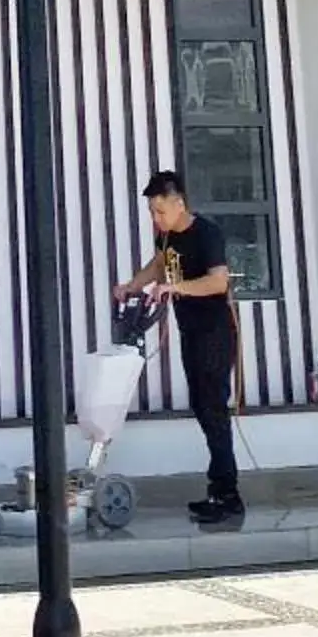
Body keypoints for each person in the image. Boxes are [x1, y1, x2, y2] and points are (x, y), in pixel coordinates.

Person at [115, 170, 242, 527]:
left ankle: (228, 495)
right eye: (152, 213)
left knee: (214, 410)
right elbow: (158, 266)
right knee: (202, 408)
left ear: (179, 203)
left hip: (215, 332)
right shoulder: (168, 236)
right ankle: (219, 488)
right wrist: (131, 285)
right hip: (191, 333)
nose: (156, 219)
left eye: (160, 211)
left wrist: (178, 288)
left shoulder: (206, 233)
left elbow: (219, 280)